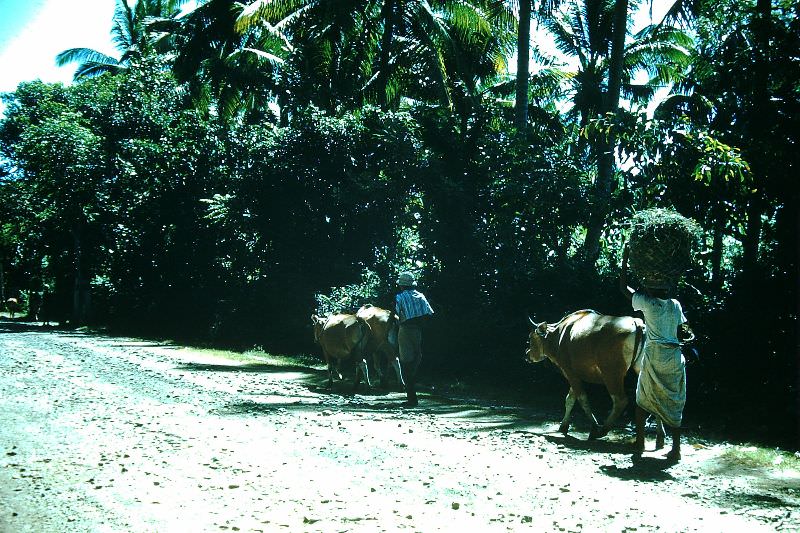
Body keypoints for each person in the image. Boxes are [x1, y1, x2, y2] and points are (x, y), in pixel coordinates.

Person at [620, 244, 693, 461]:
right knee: (675, 400)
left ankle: (641, 441)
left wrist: (624, 261)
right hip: (674, 357)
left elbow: (624, 289)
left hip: (654, 356)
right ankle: (676, 449)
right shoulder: (675, 305)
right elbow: (685, 330)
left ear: (650, 288)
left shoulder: (648, 303)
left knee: (642, 399)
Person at [394, 272, 434, 407]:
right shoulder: (421, 296)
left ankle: (412, 398)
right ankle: (413, 393)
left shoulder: (400, 297)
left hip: (405, 330)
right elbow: (429, 313)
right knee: (416, 360)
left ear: (402, 286)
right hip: (418, 331)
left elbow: (398, 314)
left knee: (406, 363)